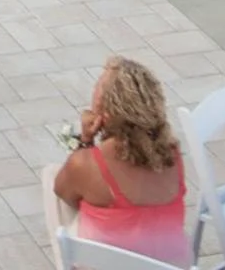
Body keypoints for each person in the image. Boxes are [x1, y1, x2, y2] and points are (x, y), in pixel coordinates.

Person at [47, 56, 190, 266]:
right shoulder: (173, 154)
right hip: (170, 265)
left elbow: (64, 193)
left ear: (106, 109)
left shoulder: (87, 163)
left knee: (54, 178)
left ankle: (68, 258)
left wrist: (86, 141)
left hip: (107, 264)